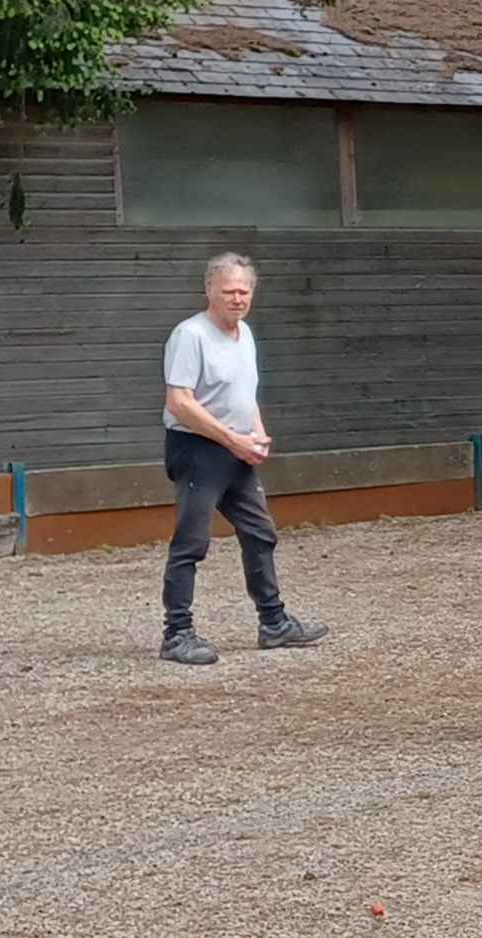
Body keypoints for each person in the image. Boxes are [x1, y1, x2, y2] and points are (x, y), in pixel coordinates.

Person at [156, 252, 328, 665]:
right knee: (192, 542)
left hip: (236, 449)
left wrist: (256, 434)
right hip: (197, 449)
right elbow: (180, 402)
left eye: (244, 291)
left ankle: (274, 622)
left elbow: (243, 393)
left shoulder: (244, 334)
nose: (237, 298)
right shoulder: (190, 335)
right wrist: (232, 439)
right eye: (228, 291)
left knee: (260, 532)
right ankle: (176, 634)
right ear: (209, 291)